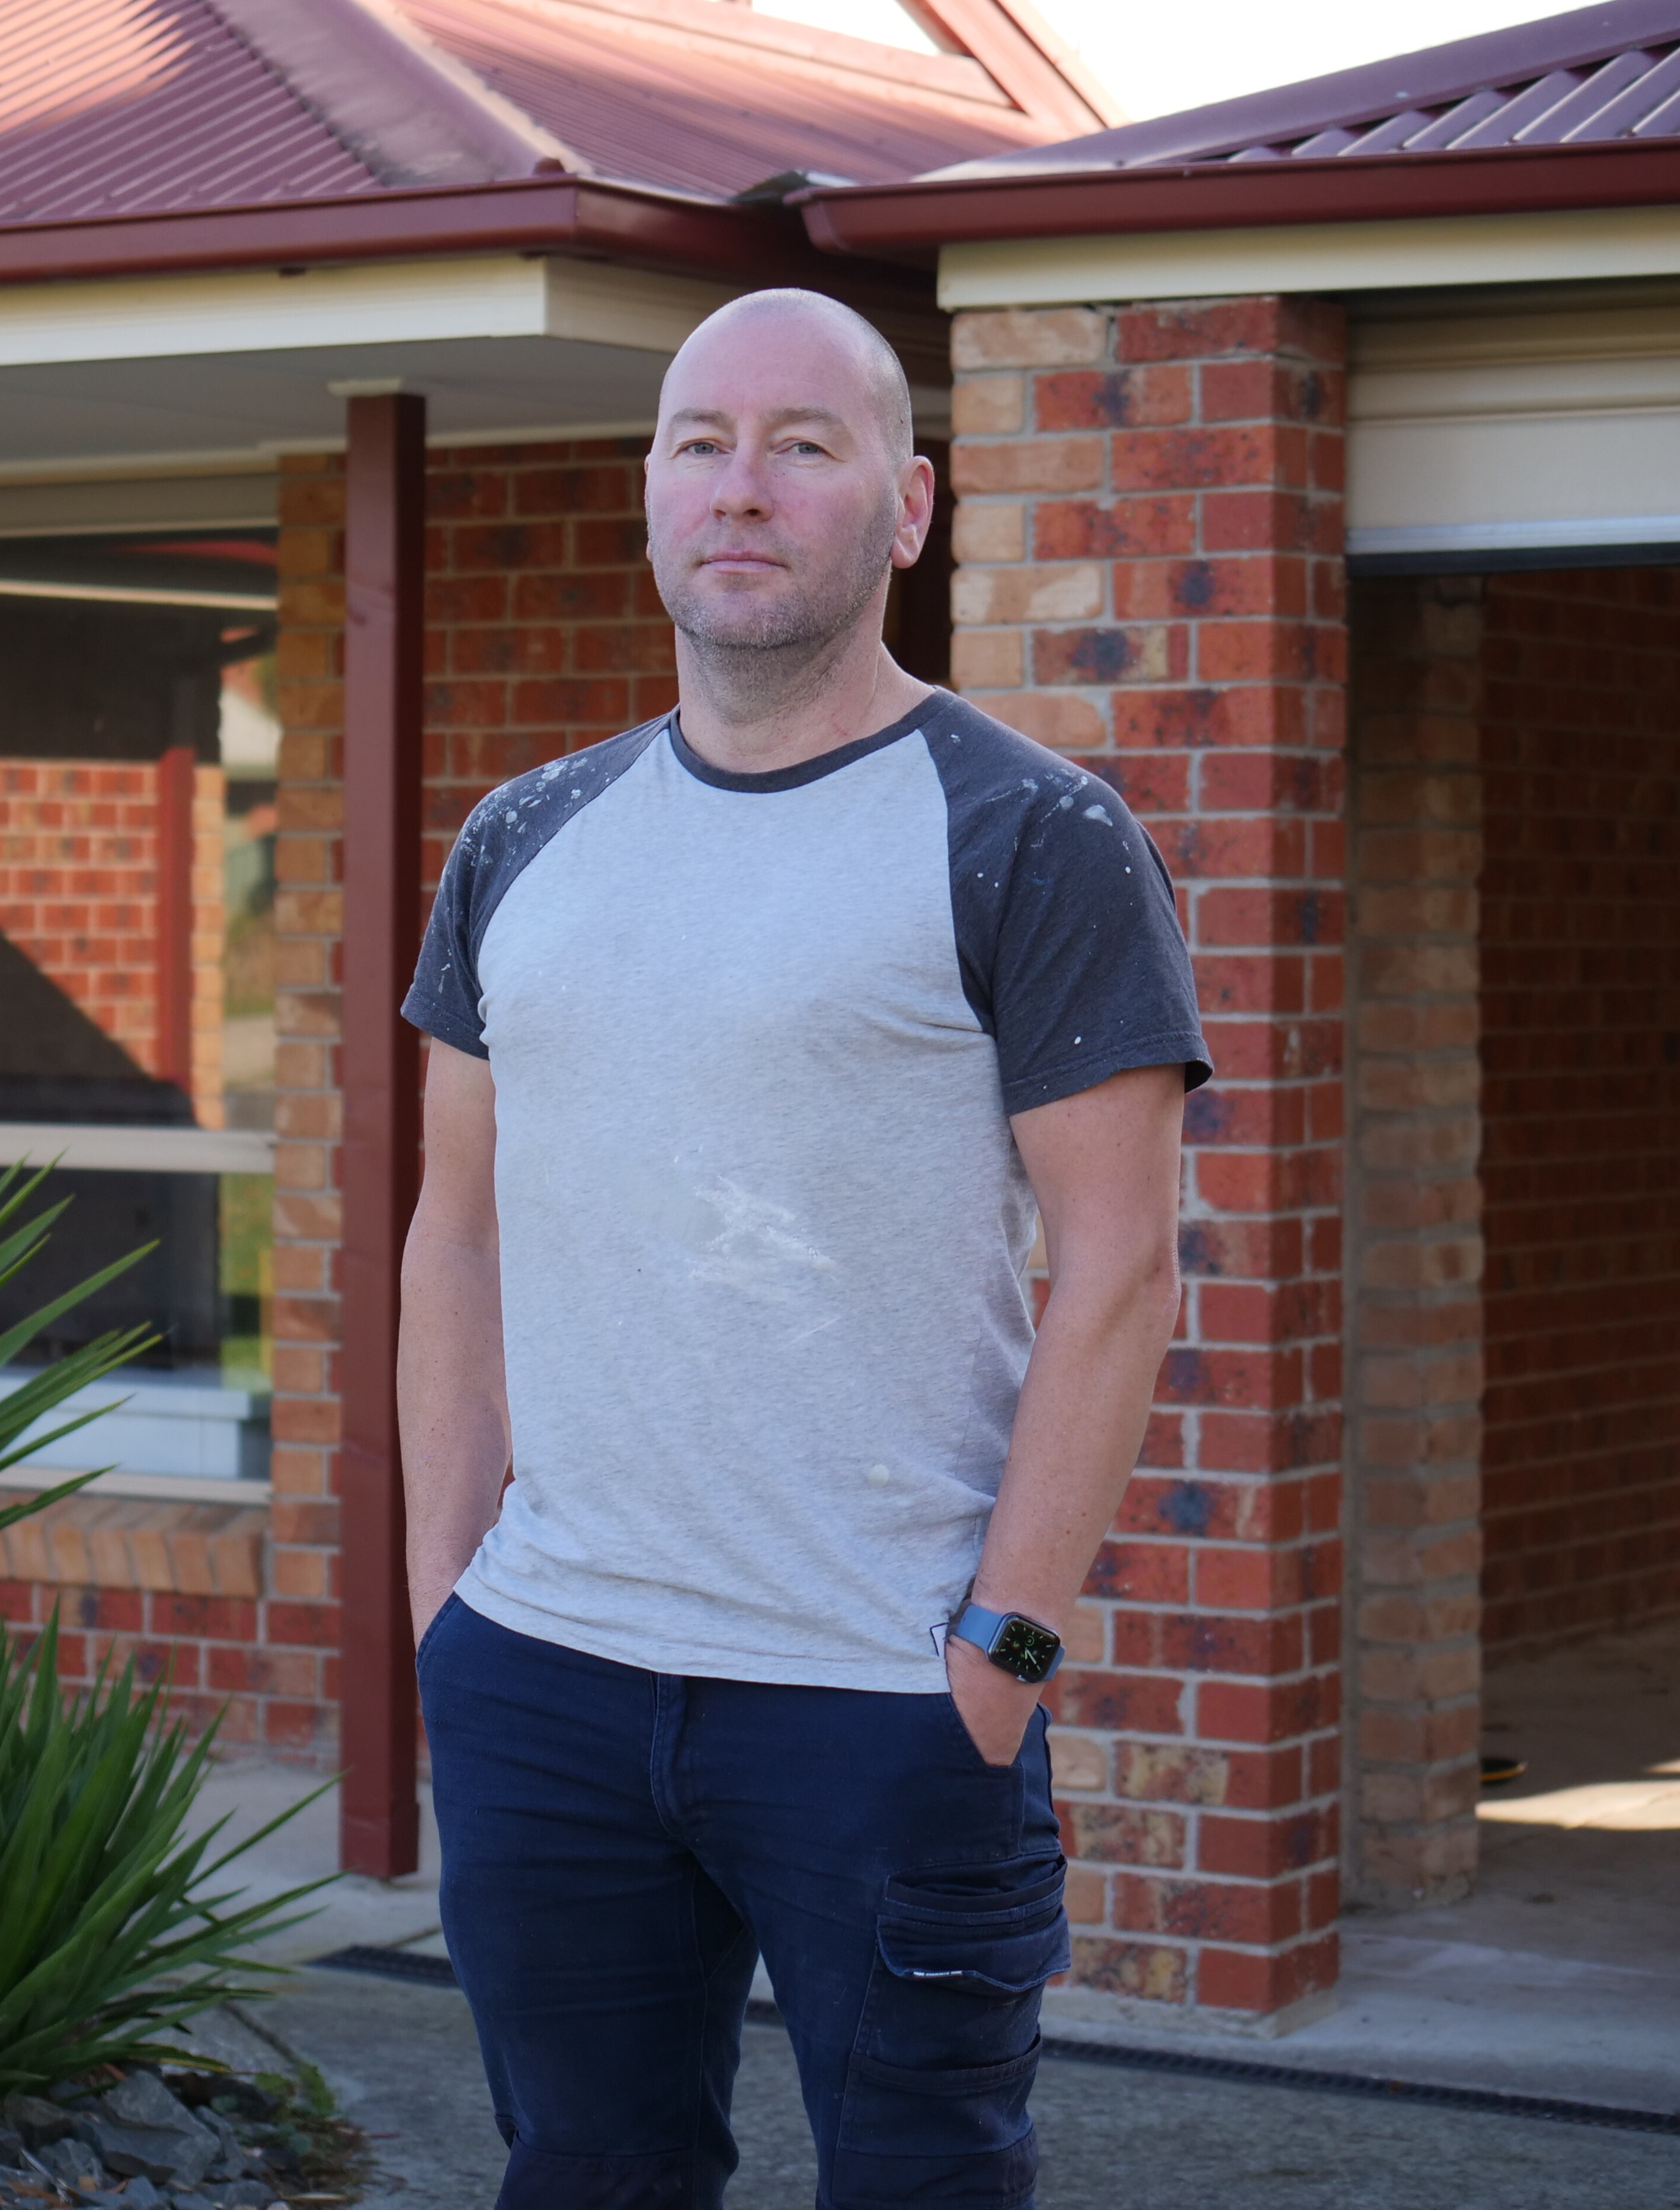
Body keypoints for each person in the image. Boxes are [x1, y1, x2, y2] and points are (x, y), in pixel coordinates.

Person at [395, 286, 1208, 2209]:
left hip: (883, 1699)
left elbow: (1120, 1270)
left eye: (803, 445)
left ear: (908, 508)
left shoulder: (1031, 833)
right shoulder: (524, 837)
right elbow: (456, 1233)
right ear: (653, 493)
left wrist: (1001, 1658)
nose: (740, 487)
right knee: (587, 2175)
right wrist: (449, 1617)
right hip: (548, 1676)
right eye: (700, 443)